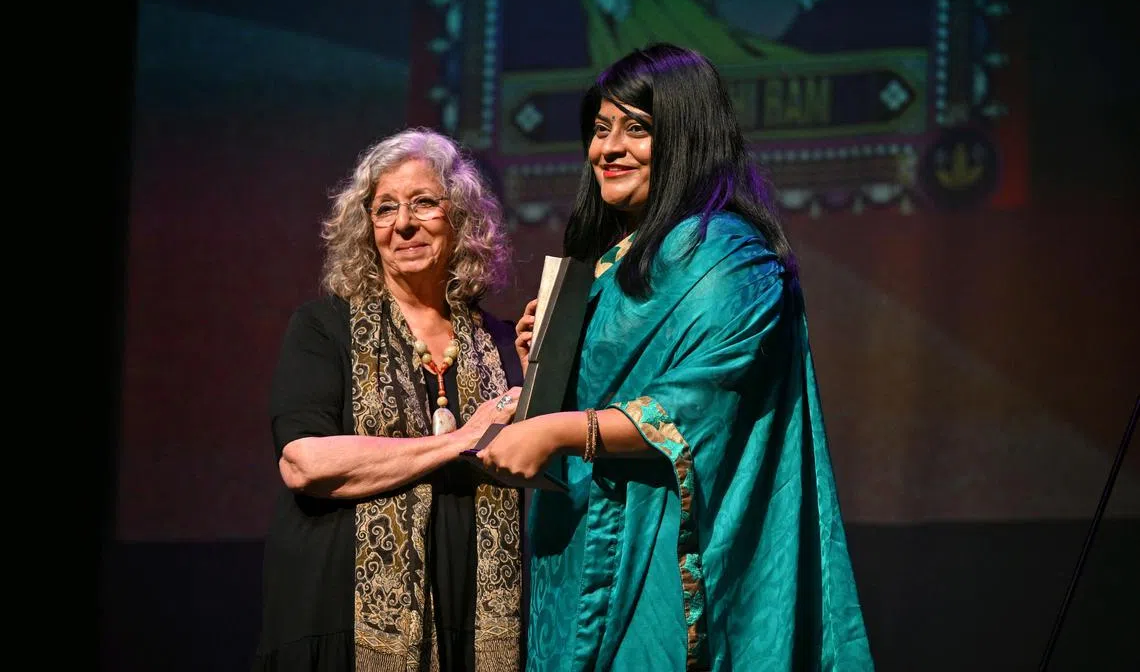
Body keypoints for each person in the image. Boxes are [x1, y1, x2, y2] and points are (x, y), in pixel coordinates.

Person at [475, 44, 874, 670]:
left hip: (669, 552)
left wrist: (554, 429)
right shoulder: (616, 259)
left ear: (687, 136)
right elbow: (606, 394)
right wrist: (545, 368)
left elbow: (696, 406)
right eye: (600, 129)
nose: (608, 149)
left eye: (637, 128)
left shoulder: (727, 257)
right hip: (586, 543)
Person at [253, 127, 527, 672]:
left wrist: (546, 364)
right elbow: (305, 463)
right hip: (340, 625)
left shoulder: (499, 343)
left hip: (475, 628)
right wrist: (462, 440)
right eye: (384, 210)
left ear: (464, 219)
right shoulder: (324, 328)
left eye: (424, 202)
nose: (403, 224)